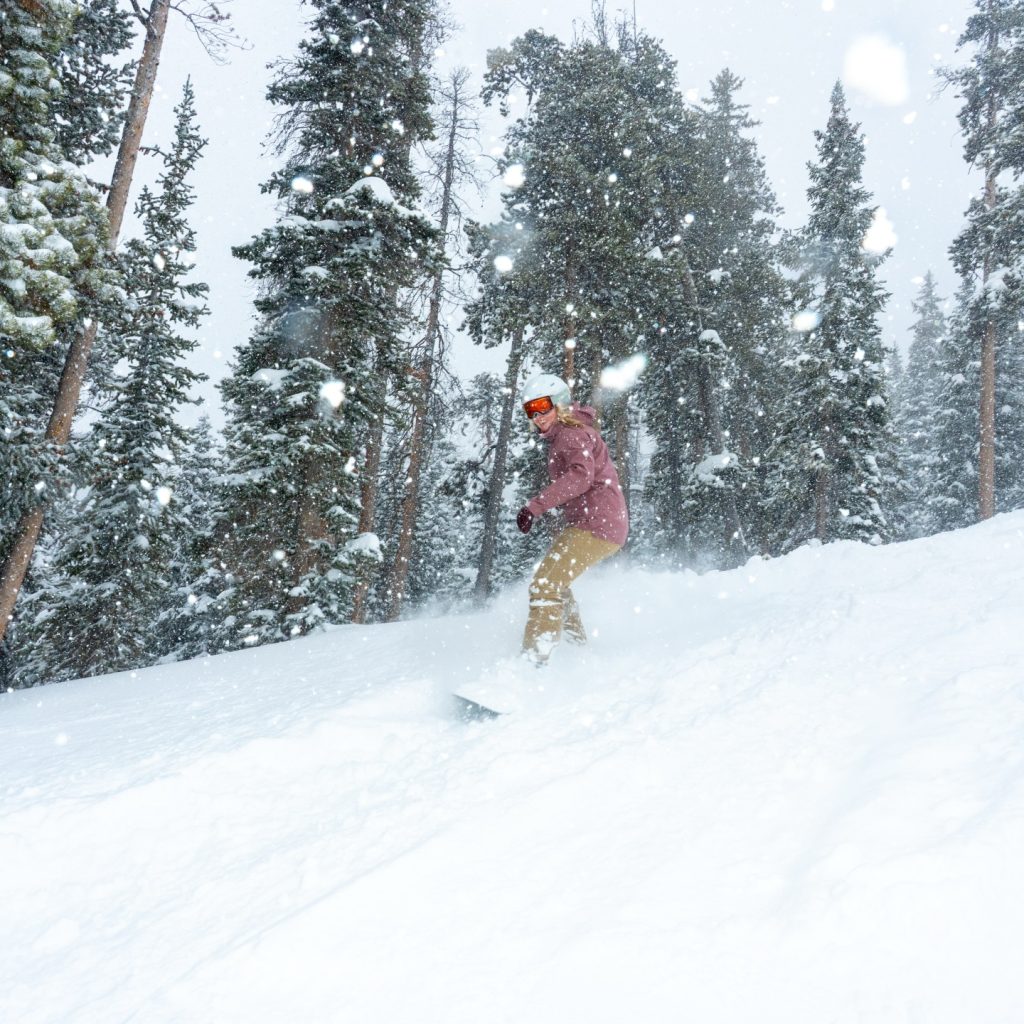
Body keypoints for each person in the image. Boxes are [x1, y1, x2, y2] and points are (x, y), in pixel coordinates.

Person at [516, 373, 629, 664]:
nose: (538, 415)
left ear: (559, 403)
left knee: (546, 585)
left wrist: (535, 507)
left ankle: (534, 663)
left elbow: (580, 477)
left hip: (598, 524)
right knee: (554, 584)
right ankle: (576, 652)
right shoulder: (565, 435)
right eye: (531, 410)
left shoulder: (570, 433)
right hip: (594, 523)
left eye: (542, 406)